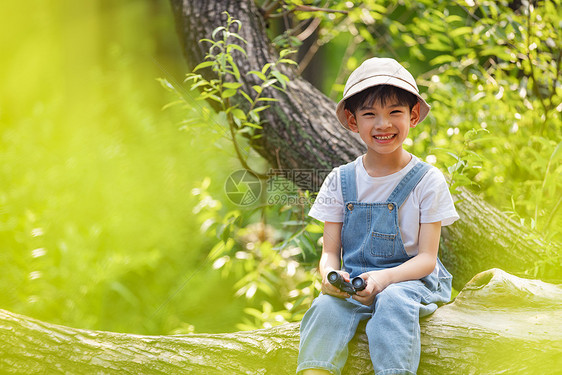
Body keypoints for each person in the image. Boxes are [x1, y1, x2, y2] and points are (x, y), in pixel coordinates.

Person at [296, 57, 459, 375]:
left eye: (394, 112)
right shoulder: (340, 180)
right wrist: (330, 278)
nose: (383, 124)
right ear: (353, 120)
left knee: (393, 303)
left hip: (413, 281)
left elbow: (427, 259)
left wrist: (384, 279)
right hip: (355, 282)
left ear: (412, 116)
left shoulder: (427, 180)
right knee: (324, 309)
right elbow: (330, 253)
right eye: (370, 114)